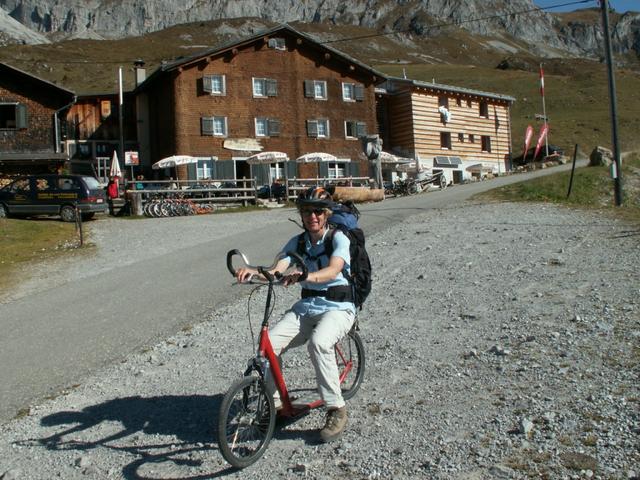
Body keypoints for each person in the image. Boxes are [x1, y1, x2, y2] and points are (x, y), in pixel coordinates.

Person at [235, 186, 355, 443]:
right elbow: (276, 270)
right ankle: (277, 406)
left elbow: (334, 270)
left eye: (318, 212)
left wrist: (306, 275)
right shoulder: (297, 242)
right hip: (307, 307)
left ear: (327, 214)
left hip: (338, 306)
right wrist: (253, 272)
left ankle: (336, 408)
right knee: (268, 347)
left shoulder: (339, 239)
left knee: (319, 343)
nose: (312, 216)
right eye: (307, 211)